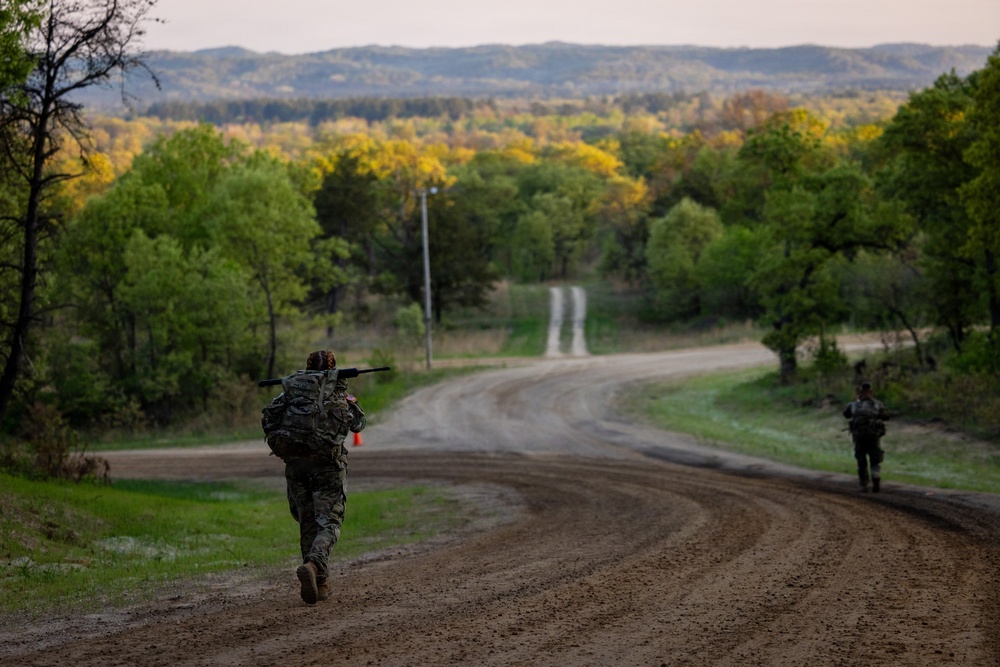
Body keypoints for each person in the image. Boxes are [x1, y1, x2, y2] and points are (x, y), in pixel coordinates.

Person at [261, 350, 366, 604]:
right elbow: (358, 424)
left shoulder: (291, 392)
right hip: (328, 466)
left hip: (296, 466)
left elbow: (268, 417)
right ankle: (315, 565)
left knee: (307, 521)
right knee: (329, 522)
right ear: (333, 369)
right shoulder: (337, 392)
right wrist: (349, 399)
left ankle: (320, 582)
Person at [843, 382, 890, 493]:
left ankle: (864, 484)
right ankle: (875, 477)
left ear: (859, 393)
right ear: (871, 392)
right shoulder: (877, 404)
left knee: (861, 459)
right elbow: (886, 416)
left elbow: (846, 414)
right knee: (875, 459)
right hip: (873, 435)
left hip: (859, 436)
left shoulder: (853, 405)